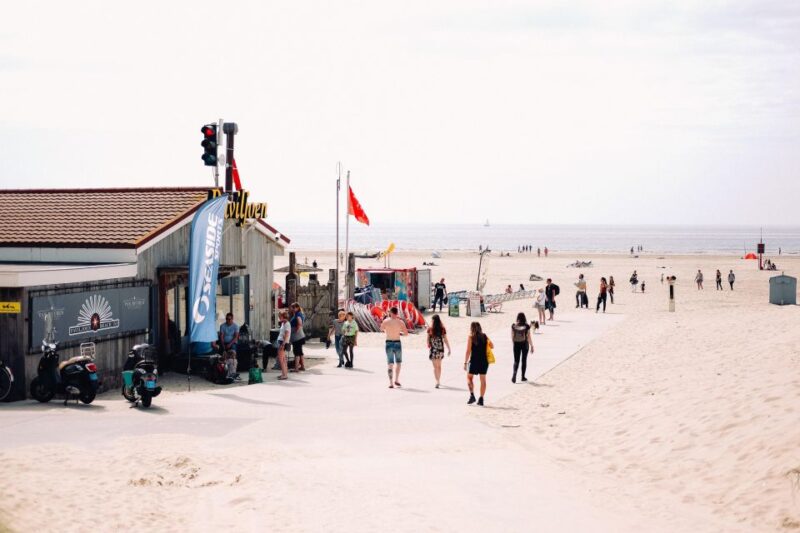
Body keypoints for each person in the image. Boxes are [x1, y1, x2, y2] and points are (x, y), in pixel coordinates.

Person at [464, 322, 492, 406]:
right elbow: (492, 346)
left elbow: (468, 351)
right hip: (484, 361)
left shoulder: (471, 337)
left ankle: (472, 395)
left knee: (469, 378)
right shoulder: (484, 336)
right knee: (483, 380)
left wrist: (465, 362)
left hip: (474, 361)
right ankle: (481, 398)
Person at [381, 307, 408, 388]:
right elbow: (406, 333)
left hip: (389, 342)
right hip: (397, 342)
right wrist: (400, 333)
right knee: (398, 362)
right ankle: (396, 379)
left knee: (390, 363)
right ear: (396, 313)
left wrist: (387, 329)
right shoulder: (400, 322)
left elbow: (381, 328)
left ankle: (391, 383)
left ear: (391, 313)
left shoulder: (386, 321)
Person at [427, 314, 451, 388]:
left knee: (435, 367)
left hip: (433, 349)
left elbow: (428, 339)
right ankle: (438, 380)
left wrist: (428, 344)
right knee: (439, 366)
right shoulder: (442, 329)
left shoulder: (430, 329)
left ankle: (437, 381)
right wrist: (449, 348)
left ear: (433, 320)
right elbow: (445, 339)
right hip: (440, 349)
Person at [511, 313, 534, 383]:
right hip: (525, 344)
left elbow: (512, 336)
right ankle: (523, 377)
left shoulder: (514, 326)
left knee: (516, 360)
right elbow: (529, 337)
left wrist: (514, 344)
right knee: (524, 360)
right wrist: (532, 346)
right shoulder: (526, 326)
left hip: (516, 344)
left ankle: (514, 374)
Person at [218, 312, 240, 380]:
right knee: (222, 354)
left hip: (232, 342)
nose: (228, 320)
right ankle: (223, 370)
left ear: (232, 319)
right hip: (224, 342)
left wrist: (230, 344)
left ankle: (233, 371)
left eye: (229, 319)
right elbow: (221, 336)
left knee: (233, 352)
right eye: (227, 319)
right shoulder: (222, 326)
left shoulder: (236, 326)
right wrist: (223, 345)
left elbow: (236, 337)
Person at [289, 303, 307, 371]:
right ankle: (302, 366)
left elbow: (299, 323)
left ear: (297, 308)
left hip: (297, 337)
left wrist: (295, 331)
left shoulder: (298, 315)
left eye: (293, 308)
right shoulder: (299, 314)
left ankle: (296, 368)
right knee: (300, 352)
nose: (292, 309)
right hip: (300, 336)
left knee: (296, 352)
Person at [276, 311, 291, 380]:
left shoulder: (287, 324)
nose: (279, 318)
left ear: (283, 316)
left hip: (282, 342)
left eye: (280, 316)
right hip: (281, 341)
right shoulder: (283, 323)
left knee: (281, 359)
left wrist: (283, 344)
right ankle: (284, 373)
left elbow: (287, 334)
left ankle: (284, 375)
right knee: (283, 359)